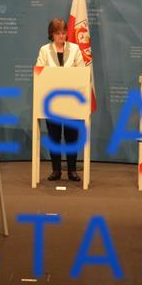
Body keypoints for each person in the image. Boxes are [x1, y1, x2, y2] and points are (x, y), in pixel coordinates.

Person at [35, 18, 86, 182]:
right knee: (54, 137)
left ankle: (72, 170)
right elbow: (39, 72)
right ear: (52, 34)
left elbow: (82, 73)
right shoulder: (44, 50)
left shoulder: (75, 49)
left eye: (63, 33)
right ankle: (56, 170)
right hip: (52, 101)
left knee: (72, 136)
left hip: (72, 100)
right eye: (58, 33)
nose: (61, 36)